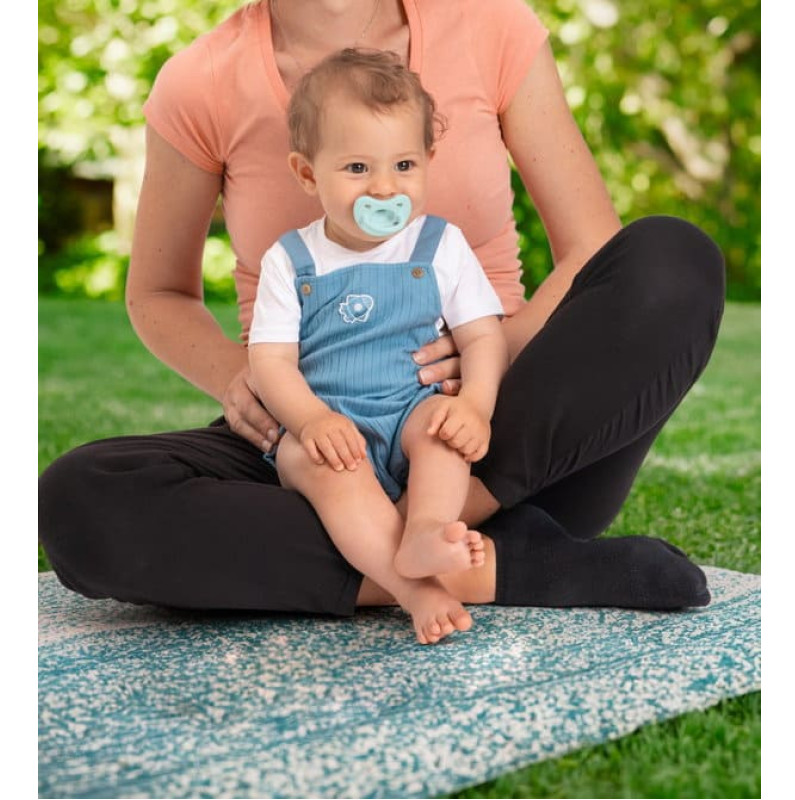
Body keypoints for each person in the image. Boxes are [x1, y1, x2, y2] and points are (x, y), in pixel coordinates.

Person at [39, 0, 724, 616]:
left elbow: (591, 247)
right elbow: (158, 294)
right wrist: (247, 385)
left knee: (673, 260)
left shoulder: (491, 23)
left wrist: (484, 362)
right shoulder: (200, 81)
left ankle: (429, 525)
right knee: (82, 496)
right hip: (313, 435)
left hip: (493, 436)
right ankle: (507, 566)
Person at [249, 49, 508, 644]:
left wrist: (474, 405)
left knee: (443, 435)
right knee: (330, 469)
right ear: (308, 174)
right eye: (358, 168)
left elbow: (481, 334)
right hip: (330, 424)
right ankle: (414, 588)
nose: (385, 188)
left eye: (404, 165)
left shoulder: (440, 245)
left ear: (428, 162)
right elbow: (270, 361)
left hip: (409, 408)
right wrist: (310, 420)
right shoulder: (292, 259)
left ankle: (426, 530)